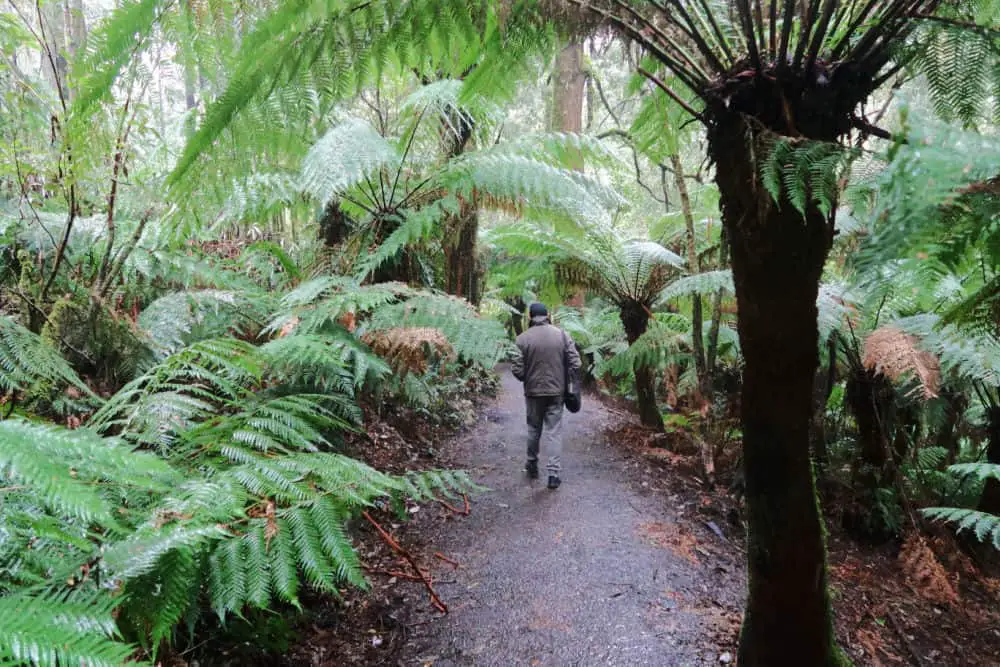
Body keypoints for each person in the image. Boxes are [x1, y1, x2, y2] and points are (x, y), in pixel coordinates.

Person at [511, 302, 581, 490]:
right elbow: (576, 362)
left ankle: (532, 464)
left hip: (533, 393)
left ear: (530, 316)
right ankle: (553, 474)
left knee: (534, 429)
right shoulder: (562, 335)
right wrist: (565, 379)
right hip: (556, 392)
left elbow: (517, 369)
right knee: (554, 431)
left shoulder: (522, 339)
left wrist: (529, 378)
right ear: (547, 314)